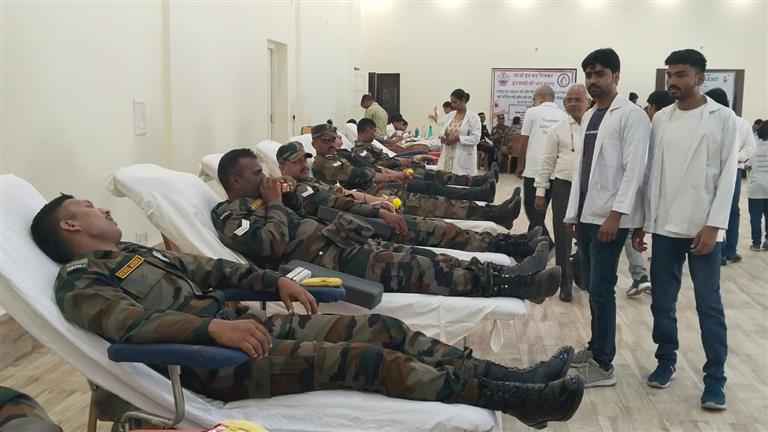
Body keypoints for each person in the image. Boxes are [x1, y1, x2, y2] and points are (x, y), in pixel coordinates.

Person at [30, 195, 584, 429]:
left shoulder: (135, 253)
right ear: (71, 226)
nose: (104, 209)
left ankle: (508, 377)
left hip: (247, 331)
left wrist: (273, 282)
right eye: (89, 207)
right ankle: (506, 398)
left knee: (381, 327)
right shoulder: (80, 280)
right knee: (368, 359)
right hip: (211, 363)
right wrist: (212, 327)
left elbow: (214, 270)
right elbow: (131, 326)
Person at [212, 148, 561, 301]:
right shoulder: (230, 215)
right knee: (424, 269)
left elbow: (315, 206)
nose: (265, 177)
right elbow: (270, 245)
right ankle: (515, 286)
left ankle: (511, 272)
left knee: (431, 257)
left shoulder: (274, 194)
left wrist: (284, 196)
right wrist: (275, 202)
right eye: (257, 173)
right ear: (235, 181)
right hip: (326, 264)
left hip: (346, 240)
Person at [633, 49, 737, 410]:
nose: (673, 81)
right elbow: (650, 174)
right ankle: (666, 359)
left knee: (709, 303)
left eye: (681, 75)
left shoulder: (723, 118)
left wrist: (714, 225)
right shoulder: (661, 119)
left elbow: (728, 177)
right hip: (664, 226)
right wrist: (643, 222)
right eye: (670, 75)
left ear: (700, 78)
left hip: (703, 228)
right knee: (662, 301)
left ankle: (715, 379)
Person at [277, 142, 545, 260]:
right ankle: (507, 240)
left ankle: (502, 229)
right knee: (438, 222)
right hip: (364, 224)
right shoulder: (297, 188)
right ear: (281, 167)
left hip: (372, 208)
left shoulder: (313, 178)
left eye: (303, 159)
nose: (302, 164)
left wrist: (376, 202)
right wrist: (378, 208)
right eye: (295, 162)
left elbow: (348, 193)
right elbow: (340, 199)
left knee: (436, 207)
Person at [564, 48, 649, 387]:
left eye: (599, 74)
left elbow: (634, 171)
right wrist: (572, 213)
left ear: (615, 76)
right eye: (588, 74)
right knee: (591, 285)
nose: (593, 80)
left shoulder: (632, 116)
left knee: (602, 288)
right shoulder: (590, 115)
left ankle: (603, 364)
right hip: (587, 214)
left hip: (609, 219)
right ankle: (595, 347)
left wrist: (616, 216)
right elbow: (582, 171)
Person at [311, 123, 498, 204]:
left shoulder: (340, 156)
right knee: (431, 191)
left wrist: (395, 170)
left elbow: (372, 168)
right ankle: (479, 193)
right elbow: (363, 173)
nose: (333, 143)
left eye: (334, 138)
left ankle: (477, 185)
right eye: (327, 140)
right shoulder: (331, 160)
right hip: (377, 190)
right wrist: (395, 173)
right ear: (314, 144)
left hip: (384, 181)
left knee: (432, 182)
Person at [533, 84, 591, 303]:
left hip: (590, 190)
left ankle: (581, 272)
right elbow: (547, 161)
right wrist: (540, 191)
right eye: (569, 100)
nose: (573, 104)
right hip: (563, 187)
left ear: (588, 102)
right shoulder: (557, 128)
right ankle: (564, 283)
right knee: (562, 236)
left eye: (578, 99)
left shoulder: (598, 125)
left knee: (587, 236)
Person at [353, 118, 498, 187]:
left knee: (437, 174)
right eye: (373, 131)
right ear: (366, 132)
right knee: (435, 181)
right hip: (397, 171)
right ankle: (475, 184)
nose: (375, 134)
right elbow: (377, 165)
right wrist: (402, 161)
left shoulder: (370, 144)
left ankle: (476, 180)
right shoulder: (359, 150)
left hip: (400, 167)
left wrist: (404, 161)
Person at [704, 88, 756, 265]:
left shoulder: (740, 122)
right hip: (709, 171)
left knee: (730, 210)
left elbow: (750, 147)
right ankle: (719, 250)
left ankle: (728, 250)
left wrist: (733, 158)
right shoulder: (706, 120)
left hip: (732, 171)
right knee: (714, 210)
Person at [517, 85, 568, 245]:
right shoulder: (564, 115)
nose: (533, 102)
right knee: (541, 209)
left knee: (530, 206)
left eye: (534, 98)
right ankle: (533, 243)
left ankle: (548, 244)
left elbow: (524, 140)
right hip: (555, 169)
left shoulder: (532, 112)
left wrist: (520, 164)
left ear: (542, 97)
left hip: (534, 168)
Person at [438, 89, 482, 176]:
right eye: (452, 102)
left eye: (455, 102)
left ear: (463, 101)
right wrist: (443, 137)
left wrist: (458, 138)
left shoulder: (473, 117)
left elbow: (476, 138)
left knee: (461, 180)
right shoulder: (451, 115)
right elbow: (443, 130)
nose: (453, 105)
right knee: (447, 178)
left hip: (463, 157)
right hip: (448, 155)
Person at [747, 122, 768, 251]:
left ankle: (756, 243)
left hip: (756, 187)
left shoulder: (754, 146)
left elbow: (747, 165)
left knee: (755, 216)